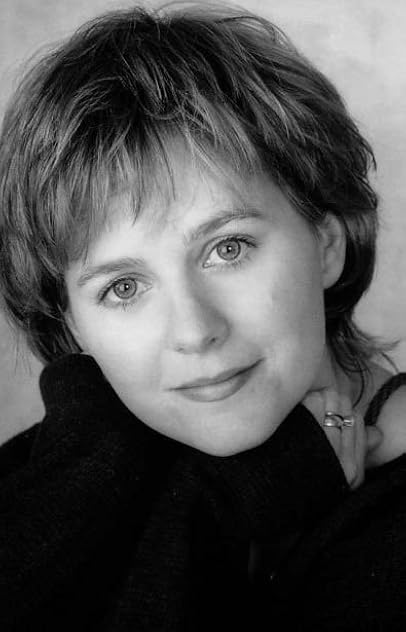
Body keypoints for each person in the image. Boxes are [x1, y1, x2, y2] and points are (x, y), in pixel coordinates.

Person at [0, 2, 405, 630]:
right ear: (73, 323)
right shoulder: (69, 474)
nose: (194, 332)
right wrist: (212, 496)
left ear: (326, 244)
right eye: (123, 287)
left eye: (228, 248)